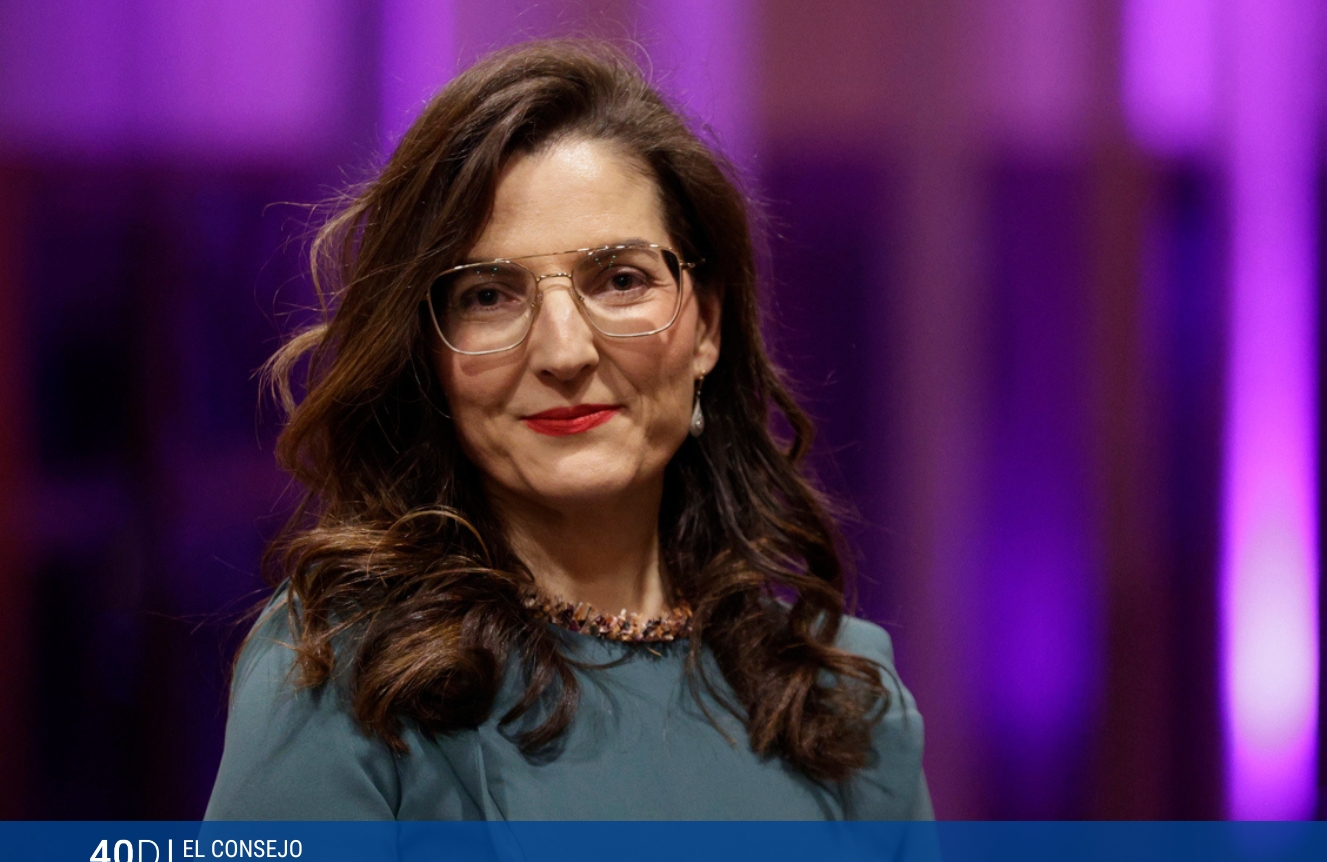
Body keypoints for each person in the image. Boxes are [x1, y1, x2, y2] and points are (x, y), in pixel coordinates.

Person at [204, 40, 932, 820]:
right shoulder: (339, 671)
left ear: (707, 325)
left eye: (620, 280)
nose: (563, 353)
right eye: (489, 296)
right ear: (429, 356)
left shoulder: (844, 697)